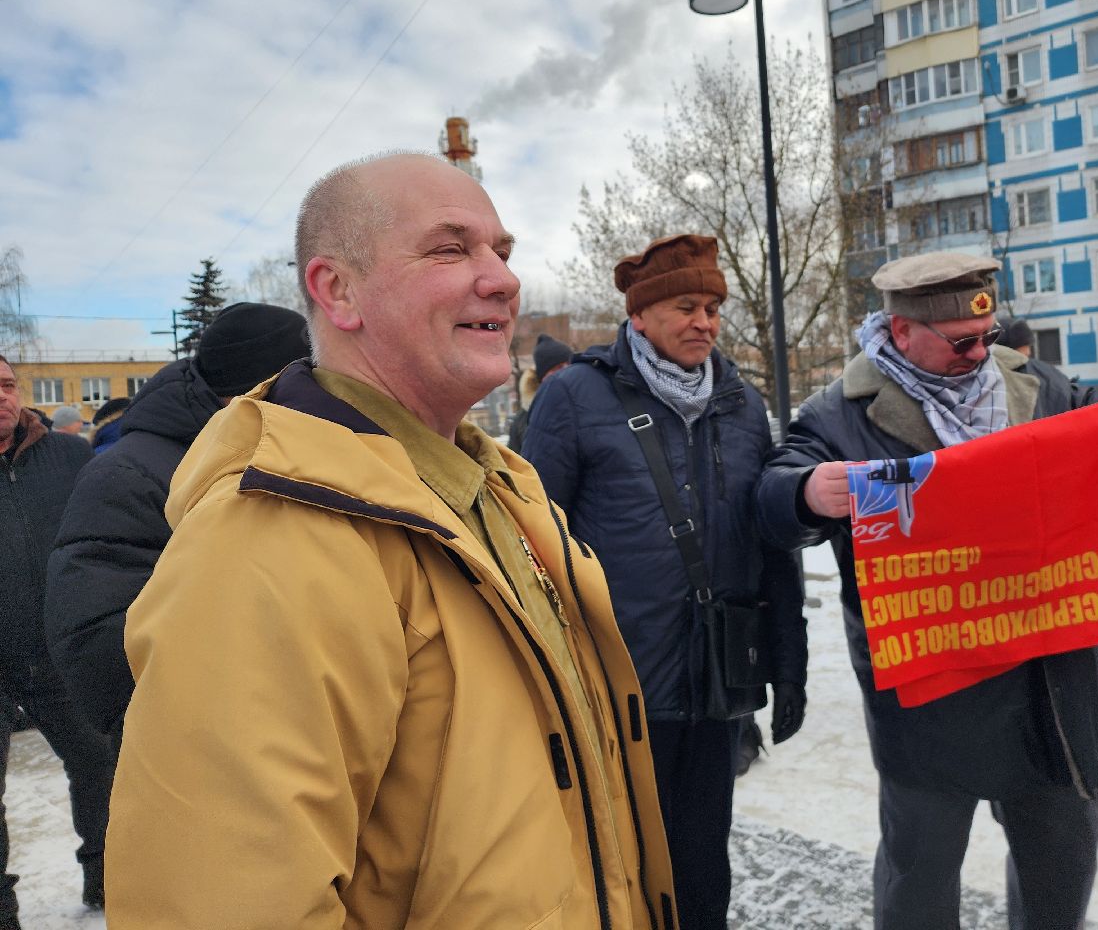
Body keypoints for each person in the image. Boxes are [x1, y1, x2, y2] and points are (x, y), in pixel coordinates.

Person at [105, 152, 673, 928]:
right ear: (338, 291)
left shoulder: (495, 488)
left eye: (502, 251)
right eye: (450, 248)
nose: (503, 279)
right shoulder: (269, 541)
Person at [756, 251, 1098, 930]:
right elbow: (774, 496)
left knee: (1061, 862)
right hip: (930, 691)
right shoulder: (840, 412)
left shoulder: (1037, 384)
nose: (981, 353)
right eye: (962, 342)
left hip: (1048, 684)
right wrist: (806, 492)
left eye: (989, 335)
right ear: (901, 331)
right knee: (920, 877)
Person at [522, 233, 808, 930]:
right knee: (620, 868)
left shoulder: (742, 403)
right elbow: (533, 543)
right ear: (640, 315)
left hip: (716, 683)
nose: (704, 323)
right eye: (686, 307)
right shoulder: (574, 397)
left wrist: (788, 663)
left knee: (704, 866)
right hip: (617, 684)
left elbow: (770, 544)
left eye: (712, 308)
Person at [46, 302, 311, 740]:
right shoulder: (127, 474)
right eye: (305, 384)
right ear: (253, 391)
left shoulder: (278, 454)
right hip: (208, 744)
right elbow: (99, 652)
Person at [0, 356, 113, 928]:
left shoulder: (69, 456)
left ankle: (109, 879)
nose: (2, 397)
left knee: (100, 767)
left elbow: (105, 536)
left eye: (7, 385)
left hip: (58, 648)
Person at [507, 331, 570, 452]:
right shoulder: (522, 422)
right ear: (542, 377)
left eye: (569, 364)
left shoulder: (589, 405)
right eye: (558, 367)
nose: (567, 370)